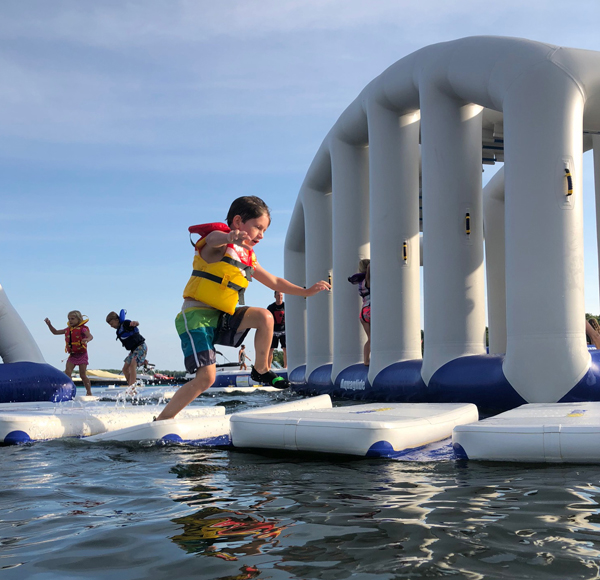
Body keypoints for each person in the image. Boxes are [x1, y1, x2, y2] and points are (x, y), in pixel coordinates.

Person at [155, 195, 330, 420]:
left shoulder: (247, 257)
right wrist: (229, 237)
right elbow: (213, 239)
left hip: (222, 317)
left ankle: (261, 369)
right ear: (238, 222)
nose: (262, 234)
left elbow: (275, 282)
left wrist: (306, 291)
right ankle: (162, 420)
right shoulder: (218, 244)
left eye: (265, 230)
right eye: (258, 227)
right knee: (206, 378)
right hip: (197, 318)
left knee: (265, 317)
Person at [44, 311, 94, 396]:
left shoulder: (83, 329)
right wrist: (49, 325)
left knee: (82, 375)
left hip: (82, 354)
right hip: (72, 355)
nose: (70, 320)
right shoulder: (68, 329)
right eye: (69, 319)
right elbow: (55, 332)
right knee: (67, 372)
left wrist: (87, 339)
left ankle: (89, 392)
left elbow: (90, 336)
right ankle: (70, 390)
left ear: (79, 319)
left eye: (72, 319)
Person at [106, 310, 148, 387]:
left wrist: (135, 323)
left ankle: (132, 389)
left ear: (117, 320)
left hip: (141, 347)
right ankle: (131, 387)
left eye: (111, 323)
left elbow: (136, 323)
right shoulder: (119, 331)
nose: (111, 326)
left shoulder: (125, 324)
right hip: (133, 351)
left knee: (132, 365)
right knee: (125, 369)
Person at [348, 258, 371, 366]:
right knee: (374, 338)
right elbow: (370, 268)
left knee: (370, 338)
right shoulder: (368, 280)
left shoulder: (360, 282)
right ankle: (368, 359)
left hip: (363, 312)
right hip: (371, 309)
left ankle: (366, 360)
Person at [267, 291, 286, 368]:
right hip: (273, 331)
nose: (280, 297)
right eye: (278, 295)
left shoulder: (286, 305)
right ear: (275, 296)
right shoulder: (271, 307)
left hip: (284, 330)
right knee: (271, 349)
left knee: (285, 349)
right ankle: (268, 366)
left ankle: (286, 366)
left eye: (281, 295)